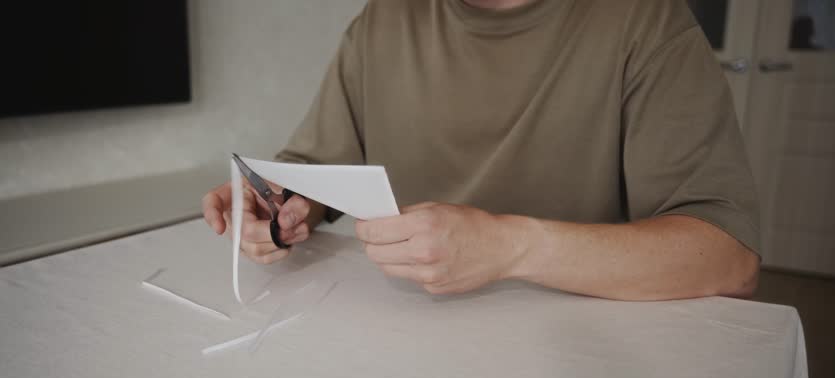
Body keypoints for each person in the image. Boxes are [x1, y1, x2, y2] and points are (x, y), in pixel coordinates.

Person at [203, 0, 761, 301]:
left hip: (582, 353)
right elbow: (316, 174)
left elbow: (728, 258)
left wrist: (510, 247)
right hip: (407, 342)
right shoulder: (384, 20)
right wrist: (278, 206)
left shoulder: (646, 20)